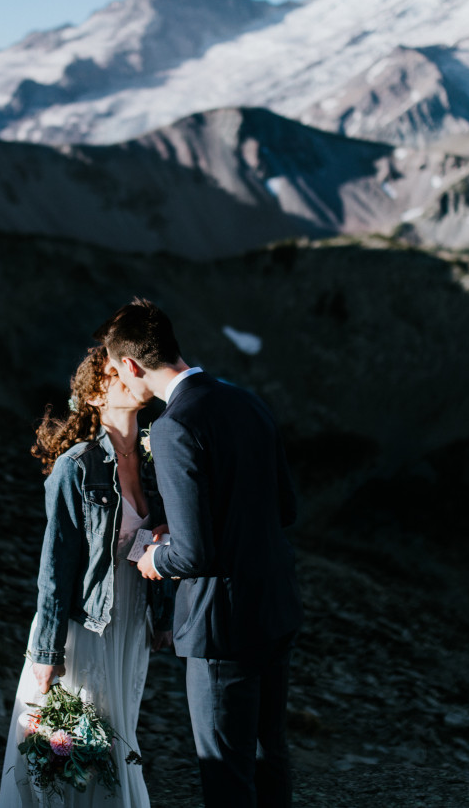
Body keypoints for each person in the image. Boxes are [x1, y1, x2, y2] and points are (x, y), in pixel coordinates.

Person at [97, 298, 302, 808]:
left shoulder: (174, 427)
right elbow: (286, 508)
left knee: (226, 773)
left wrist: (153, 560)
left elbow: (192, 555)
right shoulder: (248, 401)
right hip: (275, 606)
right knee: (268, 755)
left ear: (130, 365)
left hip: (221, 626)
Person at [0, 346, 173, 808]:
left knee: (119, 733)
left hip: (132, 622)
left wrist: (166, 618)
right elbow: (53, 571)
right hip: (84, 627)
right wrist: (48, 654)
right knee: (82, 744)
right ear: (95, 396)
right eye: (117, 374)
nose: (132, 377)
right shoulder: (75, 466)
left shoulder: (158, 461)